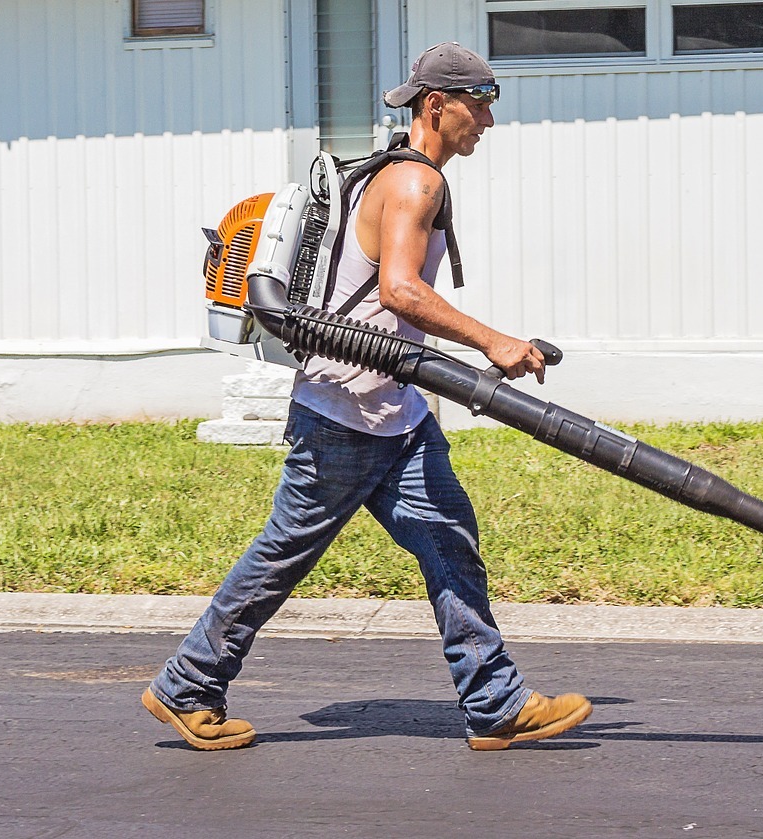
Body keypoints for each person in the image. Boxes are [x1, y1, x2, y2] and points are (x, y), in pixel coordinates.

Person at [143, 42, 591, 752]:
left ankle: (495, 701)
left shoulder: (388, 173)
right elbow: (401, 292)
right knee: (282, 554)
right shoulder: (415, 183)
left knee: (450, 538)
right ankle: (189, 682)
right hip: (344, 413)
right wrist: (494, 342)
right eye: (480, 105)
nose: (488, 122)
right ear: (436, 105)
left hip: (393, 410)